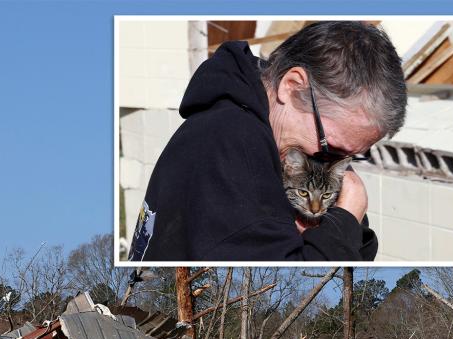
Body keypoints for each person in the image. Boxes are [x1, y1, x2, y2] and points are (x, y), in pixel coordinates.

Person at [128, 21, 407, 262]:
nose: (331, 164)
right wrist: (344, 222)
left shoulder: (247, 127)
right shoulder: (232, 147)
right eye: (330, 148)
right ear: (293, 86)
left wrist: (345, 228)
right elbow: (306, 275)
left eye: (351, 157)